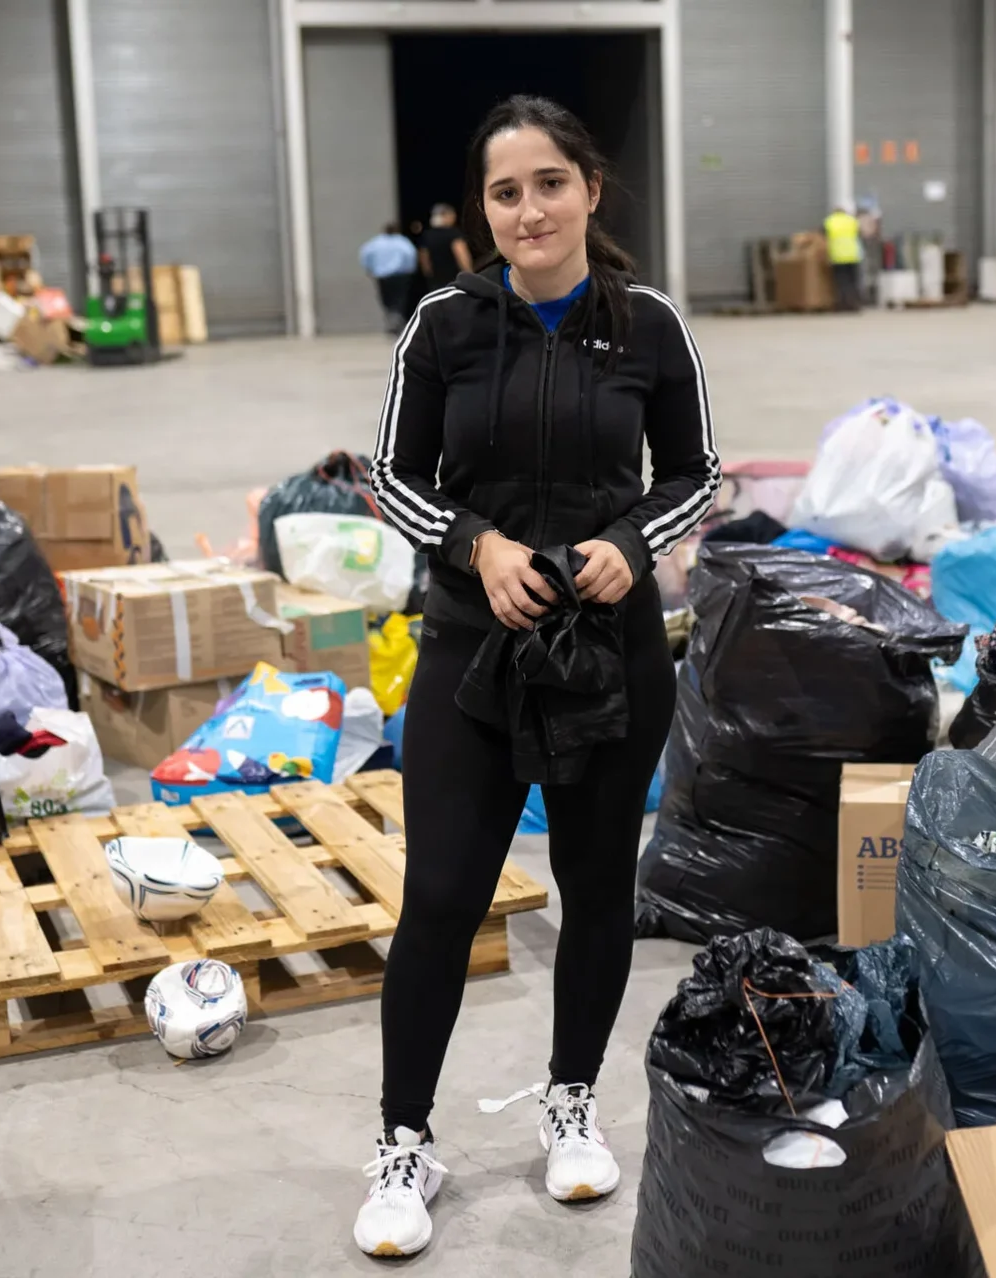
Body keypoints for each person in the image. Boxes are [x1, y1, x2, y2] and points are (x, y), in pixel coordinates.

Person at [358, 95, 720, 1258]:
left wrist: (632, 543)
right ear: (484, 212)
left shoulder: (650, 324)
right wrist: (479, 548)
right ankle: (404, 1140)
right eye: (506, 192)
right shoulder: (444, 326)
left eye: (549, 184)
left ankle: (575, 1104)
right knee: (445, 899)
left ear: (590, 190)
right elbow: (391, 476)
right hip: (474, 650)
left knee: (596, 888)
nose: (529, 210)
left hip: (609, 655)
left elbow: (698, 475)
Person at [359, 223, 419, 335]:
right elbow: (411, 255)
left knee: (386, 298)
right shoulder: (402, 242)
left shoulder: (375, 243)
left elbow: (365, 254)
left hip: (382, 275)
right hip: (400, 275)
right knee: (399, 298)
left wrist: (369, 269)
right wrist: (411, 269)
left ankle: (392, 318)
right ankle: (396, 318)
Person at [418, 203, 473, 291]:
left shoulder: (427, 235)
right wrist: (469, 273)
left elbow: (424, 258)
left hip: (435, 281)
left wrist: (429, 274)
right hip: (454, 279)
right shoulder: (454, 234)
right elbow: (461, 254)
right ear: (445, 216)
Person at [824, 203, 863, 312]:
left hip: (838, 256)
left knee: (841, 282)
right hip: (853, 255)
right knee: (853, 281)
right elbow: (860, 234)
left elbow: (824, 238)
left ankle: (842, 304)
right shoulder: (852, 220)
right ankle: (855, 304)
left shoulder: (829, 221)